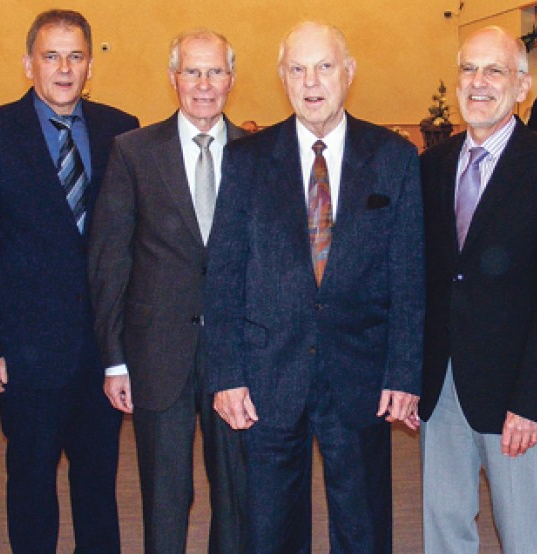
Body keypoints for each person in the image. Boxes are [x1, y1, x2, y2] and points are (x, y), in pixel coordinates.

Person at [205, 21, 424, 553]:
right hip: (267, 375)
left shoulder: (393, 157)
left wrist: (404, 372)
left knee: (363, 527)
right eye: (297, 69)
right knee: (271, 529)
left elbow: (410, 274)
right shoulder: (247, 160)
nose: (311, 81)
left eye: (324, 66)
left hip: (362, 375)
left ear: (348, 73)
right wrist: (226, 374)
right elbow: (224, 274)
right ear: (282, 78)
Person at [0, 9, 139, 553]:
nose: (64, 68)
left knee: (99, 488)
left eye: (76, 56)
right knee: (31, 486)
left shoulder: (121, 129)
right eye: (51, 55)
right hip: (26, 352)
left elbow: (133, 240)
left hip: (103, 349)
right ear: (28, 63)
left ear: (90, 66)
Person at [419, 27, 537, 554]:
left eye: (494, 71)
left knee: (520, 527)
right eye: (469, 69)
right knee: (444, 521)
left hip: (515, 388)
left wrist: (534, 400)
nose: (478, 82)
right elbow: (420, 279)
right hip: (441, 381)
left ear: (521, 87)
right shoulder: (431, 166)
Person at [87, 29, 247, 554]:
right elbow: (111, 260)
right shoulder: (133, 152)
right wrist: (114, 360)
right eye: (192, 71)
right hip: (156, 355)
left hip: (238, 358)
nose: (204, 84)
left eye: (215, 72)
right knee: (164, 497)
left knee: (236, 496)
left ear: (232, 78)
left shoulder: (259, 155)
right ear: (174, 78)